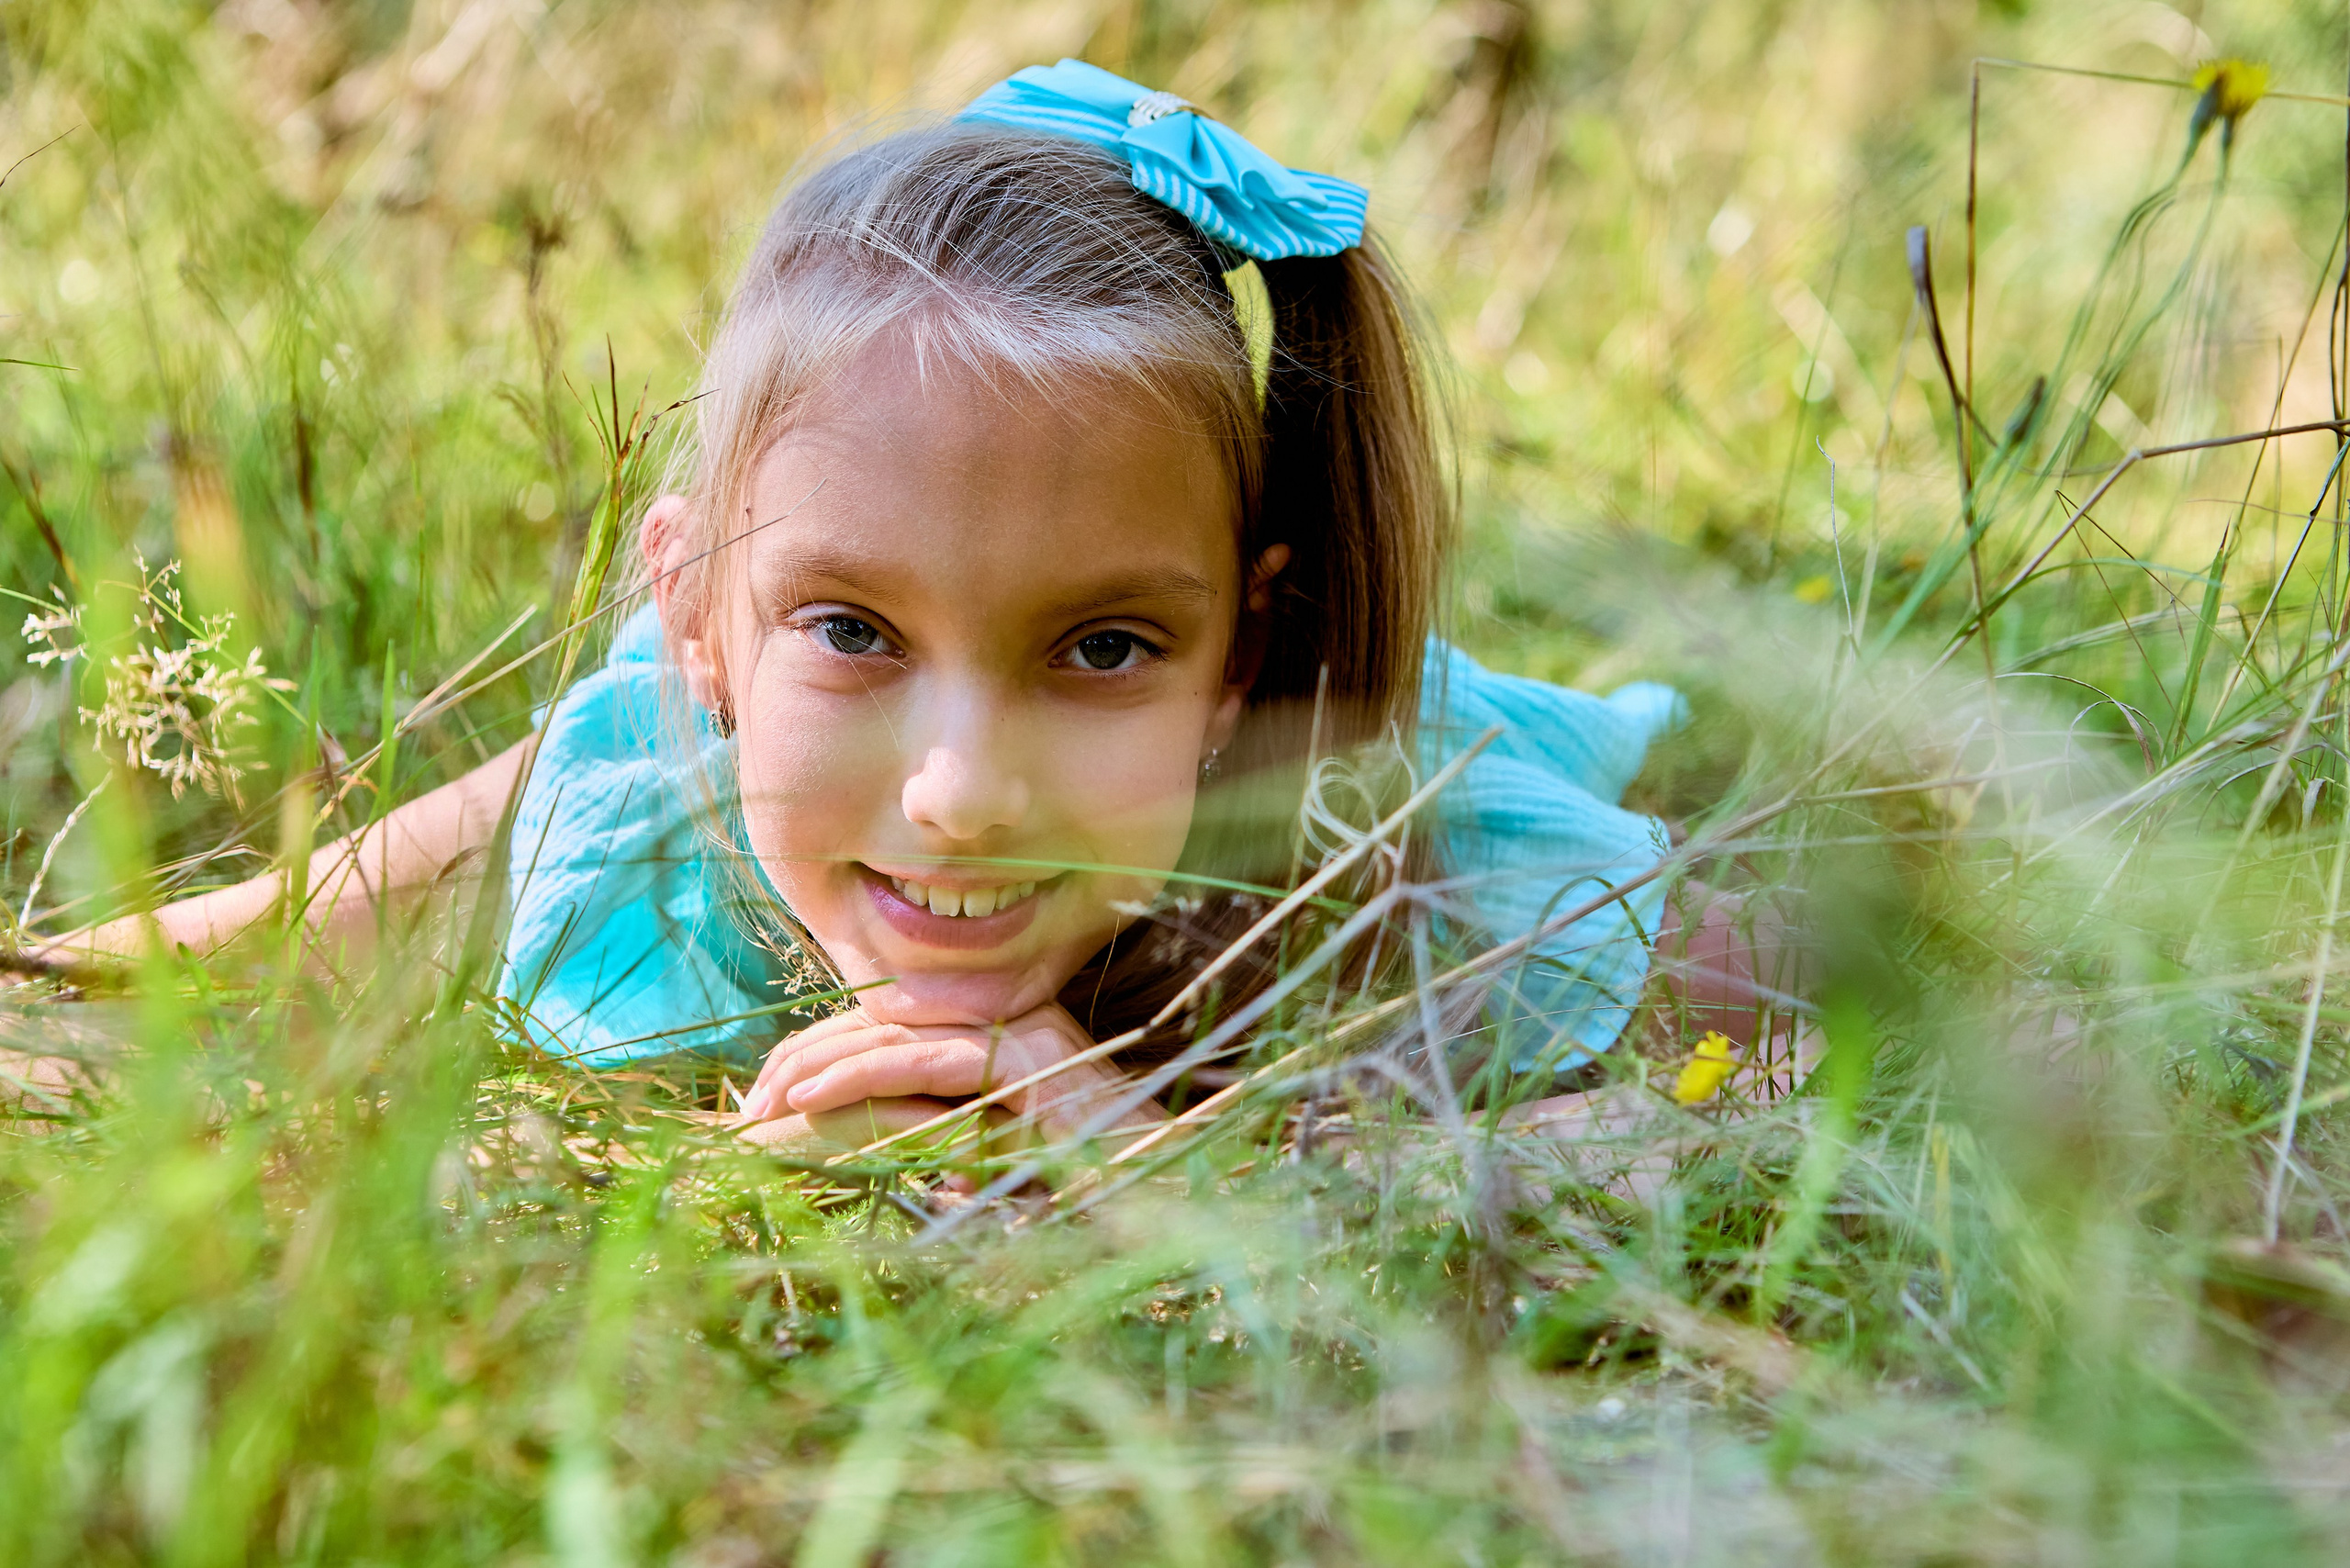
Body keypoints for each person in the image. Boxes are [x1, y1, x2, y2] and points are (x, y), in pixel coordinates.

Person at [28, 62, 1796, 1153]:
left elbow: (1801, 1049)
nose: (961, 790)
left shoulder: (1425, 874)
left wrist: (1134, 1145)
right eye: (858, 630)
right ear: (702, 620)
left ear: (1234, 655)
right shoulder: (657, 843)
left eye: (1104, 646)